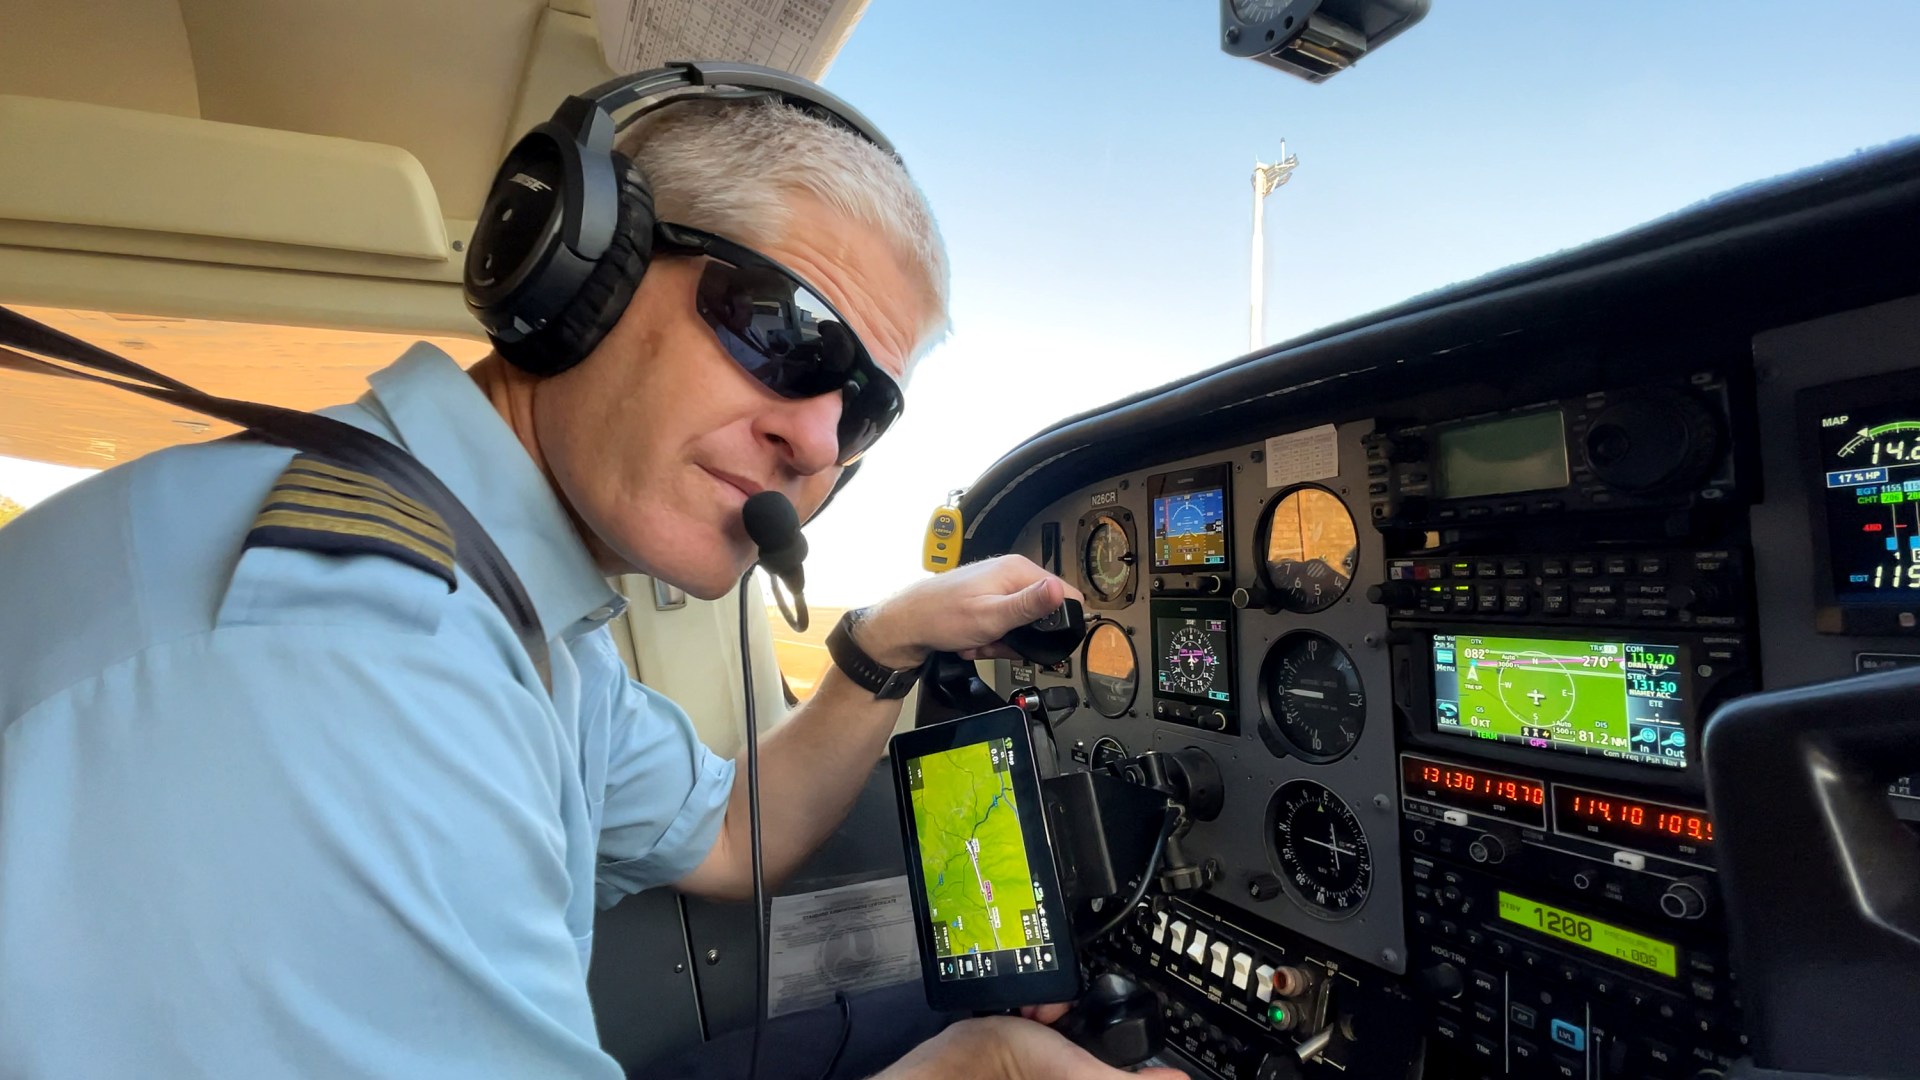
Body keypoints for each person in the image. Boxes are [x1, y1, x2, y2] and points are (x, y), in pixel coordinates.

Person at [0, 90, 1181, 1080]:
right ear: (581, 268)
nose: (821, 442)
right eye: (781, 328)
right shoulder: (358, 664)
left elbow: (727, 836)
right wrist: (986, 1069)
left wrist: (879, 644)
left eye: (862, 404)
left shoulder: (509, 605)